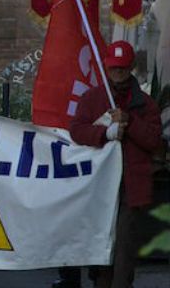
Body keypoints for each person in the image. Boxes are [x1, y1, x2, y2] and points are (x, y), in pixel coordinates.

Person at [69, 41, 162, 288]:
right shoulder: (92, 98)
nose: (117, 72)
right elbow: (76, 131)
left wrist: (129, 122)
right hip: (98, 186)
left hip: (131, 188)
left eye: (122, 68)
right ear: (105, 67)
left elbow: (153, 140)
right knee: (101, 248)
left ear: (130, 68)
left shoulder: (146, 104)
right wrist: (104, 133)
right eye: (113, 67)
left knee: (124, 250)